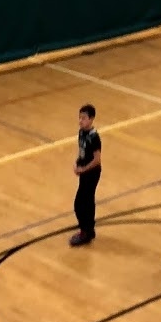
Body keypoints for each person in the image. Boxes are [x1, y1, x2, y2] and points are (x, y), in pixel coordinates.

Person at [70, 103, 101, 246]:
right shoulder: (81, 133)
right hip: (84, 171)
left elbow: (96, 160)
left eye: (84, 118)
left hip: (92, 173)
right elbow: (81, 152)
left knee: (81, 203)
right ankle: (89, 229)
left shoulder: (94, 137)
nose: (80, 121)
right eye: (79, 117)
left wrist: (84, 169)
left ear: (91, 119)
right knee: (86, 201)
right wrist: (77, 163)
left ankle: (85, 231)